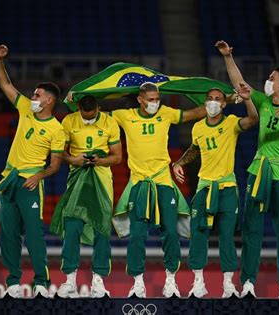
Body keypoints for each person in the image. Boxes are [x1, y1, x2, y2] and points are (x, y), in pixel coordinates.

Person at [216, 40, 279, 299]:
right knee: (251, 228)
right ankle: (247, 282)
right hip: (259, 171)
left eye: (272, 78)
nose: (268, 81)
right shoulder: (262, 101)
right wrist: (228, 58)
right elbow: (240, 84)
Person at [109, 81, 208, 298]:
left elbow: (194, 113)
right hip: (139, 183)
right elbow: (94, 116)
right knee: (137, 235)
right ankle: (137, 283)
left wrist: (218, 103)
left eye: (157, 99)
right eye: (151, 100)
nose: (155, 103)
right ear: (140, 100)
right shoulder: (124, 116)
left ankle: (170, 280)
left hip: (163, 182)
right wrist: (75, 100)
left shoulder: (166, 113)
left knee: (171, 232)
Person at [0, 44, 66, 298]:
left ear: (48, 100)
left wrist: (39, 175)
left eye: (36, 95)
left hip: (31, 183)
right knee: (9, 234)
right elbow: (6, 86)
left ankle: (41, 284)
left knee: (34, 235)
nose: (32, 98)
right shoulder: (25, 108)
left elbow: (56, 164)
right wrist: (0, 61)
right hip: (9, 179)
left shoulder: (57, 129)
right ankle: (13, 282)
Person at [172, 83, 258, 298]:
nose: (213, 101)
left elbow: (253, 120)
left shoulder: (231, 123)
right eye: (210, 97)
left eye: (218, 98)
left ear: (224, 103)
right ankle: (198, 282)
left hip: (227, 187)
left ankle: (228, 284)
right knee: (198, 235)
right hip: (203, 187)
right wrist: (178, 163)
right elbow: (194, 149)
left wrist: (247, 99)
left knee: (227, 236)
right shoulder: (198, 127)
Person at [50, 95, 122, 298]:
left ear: (99, 108)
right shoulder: (68, 121)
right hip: (77, 178)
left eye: (92, 116)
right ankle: (70, 281)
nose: (88, 119)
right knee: (72, 227)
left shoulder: (110, 122)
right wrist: (74, 158)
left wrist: (100, 160)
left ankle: (98, 282)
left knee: (102, 230)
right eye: (84, 115)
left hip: (101, 181)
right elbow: (58, 151)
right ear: (78, 108)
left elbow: (117, 157)